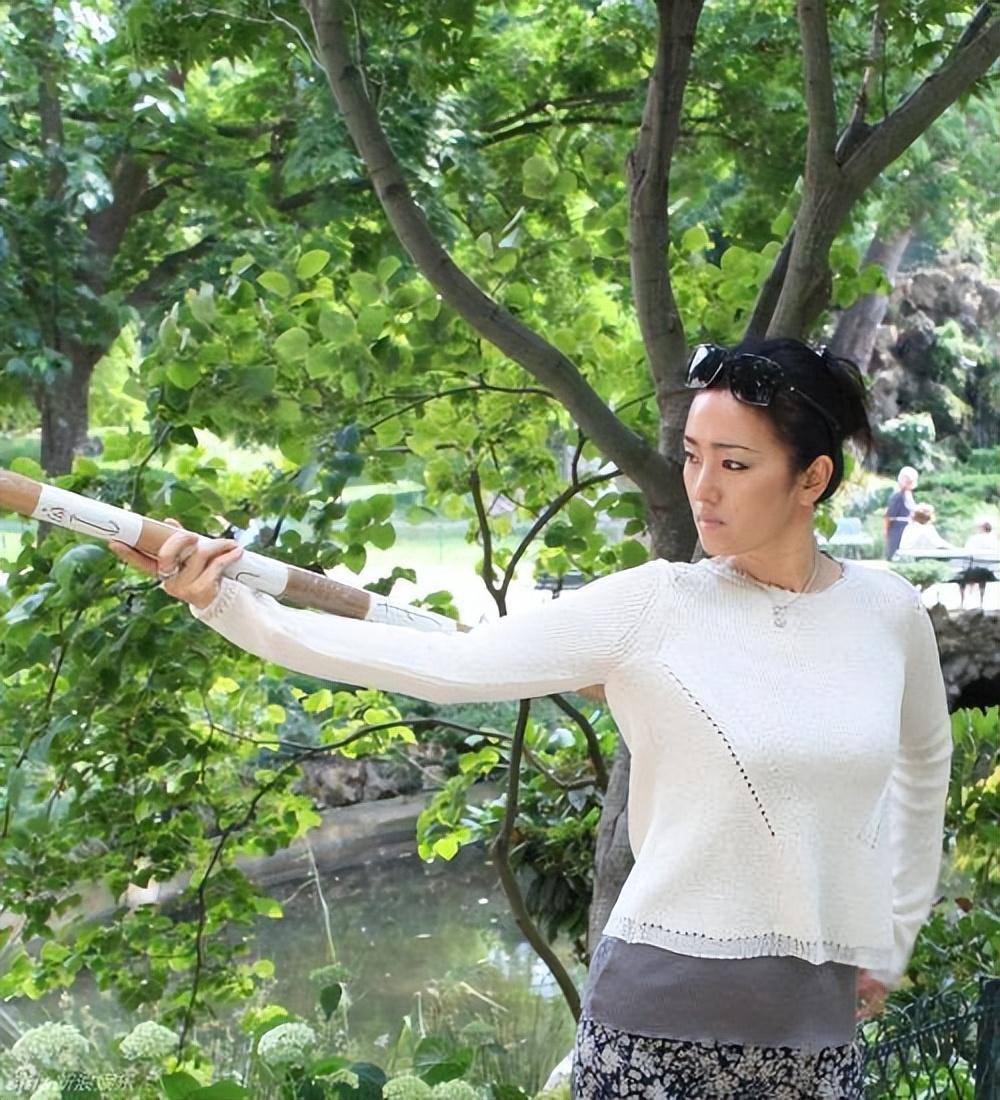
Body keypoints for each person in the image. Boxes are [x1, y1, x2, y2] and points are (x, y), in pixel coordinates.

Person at [107, 338, 953, 1099]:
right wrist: (227, 604)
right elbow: (445, 665)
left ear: (812, 479)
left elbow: (925, 763)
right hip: (656, 1036)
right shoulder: (654, 605)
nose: (701, 487)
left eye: (734, 464)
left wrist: (891, 938)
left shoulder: (886, 611)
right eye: (693, 456)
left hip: (818, 1041)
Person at [959, 519, 999, 610]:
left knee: (962, 577)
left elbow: (966, 552)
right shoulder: (994, 540)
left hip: (973, 572)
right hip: (989, 573)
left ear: (982, 528)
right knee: (982, 576)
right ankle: (981, 601)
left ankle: (962, 602)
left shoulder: (974, 538)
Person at [897, 503, 963, 555]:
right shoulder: (926, 528)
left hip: (908, 556)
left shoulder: (909, 527)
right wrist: (958, 550)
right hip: (918, 557)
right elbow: (940, 544)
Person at [884, 465, 919, 560]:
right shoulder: (897, 496)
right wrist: (886, 532)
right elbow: (888, 516)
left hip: (909, 529)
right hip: (898, 529)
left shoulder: (909, 494)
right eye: (907, 480)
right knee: (895, 555)